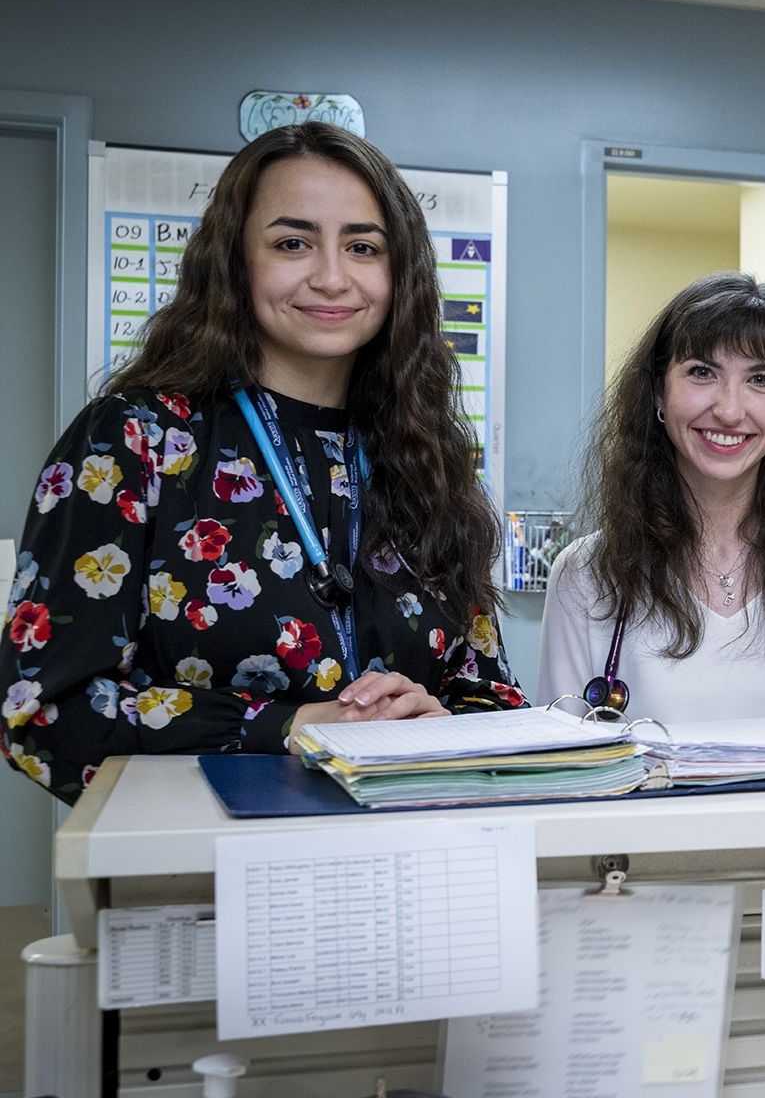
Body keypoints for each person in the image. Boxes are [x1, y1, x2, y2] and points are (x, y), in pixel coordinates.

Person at [1, 124, 525, 802]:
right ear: (234, 261)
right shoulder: (136, 438)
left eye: (363, 247)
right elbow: (43, 712)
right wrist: (294, 725)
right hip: (202, 874)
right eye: (292, 243)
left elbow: (494, 698)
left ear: (400, 276)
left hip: (412, 862)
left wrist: (438, 725)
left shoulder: (429, 460)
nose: (332, 276)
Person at [538, 272, 765, 731]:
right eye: (702, 372)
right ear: (658, 390)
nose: (730, 410)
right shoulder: (586, 574)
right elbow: (565, 780)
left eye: (761, 379)